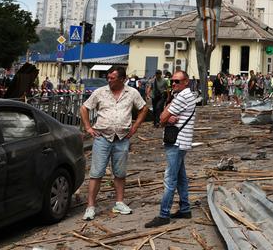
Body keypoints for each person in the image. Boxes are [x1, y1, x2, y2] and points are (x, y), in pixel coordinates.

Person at [80, 66, 148, 220]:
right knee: (96, 173)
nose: (109, 81)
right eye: (108, 78)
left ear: (123, 79)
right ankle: (90, 206)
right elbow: (84, 108)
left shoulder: (132, 93)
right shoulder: (100, 92)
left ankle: (119, 202)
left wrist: (135, 127)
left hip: (122, 138)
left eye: (113, 78)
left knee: (120, 173)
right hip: (102, 137)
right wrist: (88, 128)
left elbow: (144, 109)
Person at [144, 70, 197, 227]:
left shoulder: (183, 96)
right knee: (180, 177)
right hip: (181, 141)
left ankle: (164, 214)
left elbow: (161, 117)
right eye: (172, 81)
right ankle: (185, 209)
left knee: (170, 179)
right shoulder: (182, 95)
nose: (173, 84)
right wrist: (167, 116)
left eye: (177, 81)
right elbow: (165, 115)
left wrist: (166, 117)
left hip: (177, 142)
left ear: (186, 82)